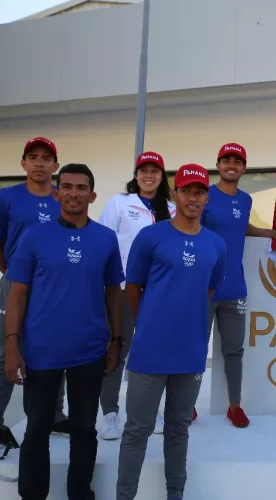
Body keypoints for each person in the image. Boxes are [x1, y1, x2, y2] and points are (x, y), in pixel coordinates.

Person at [4, 163, 125, 500]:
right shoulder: (35, 236)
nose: (74, 193)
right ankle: (32, 494)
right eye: (67, 186)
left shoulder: (105, 238)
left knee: (84, 430)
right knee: (38, 428)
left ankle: (79, 493)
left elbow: (114, 293)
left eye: (81, 187)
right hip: (42, 350)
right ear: (56, 193)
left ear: (92, 195)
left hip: (90, 350)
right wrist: (13, 344)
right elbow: (18, 293)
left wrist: (116, 340)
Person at [116, 164, 227, 500]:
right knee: (137, 430)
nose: (193, 198)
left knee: (178, 429)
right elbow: (133, 287)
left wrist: (185, 323)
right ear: (175, 194)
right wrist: (151, 321)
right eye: (186, 191)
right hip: (150, 350)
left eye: (199, 192)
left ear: (207, 197)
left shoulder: (216, 245)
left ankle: (174, 494)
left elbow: (207, 289)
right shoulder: (151, 236)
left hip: (191, 352)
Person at [0, 137, 70, 457]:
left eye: (46, 157)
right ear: (23, 163)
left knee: (56, 352)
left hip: (54, 289)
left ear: (56, 165)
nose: (39, 162)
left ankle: (54, 416)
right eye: (33, 157)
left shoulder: (64, 199)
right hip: (16, 286)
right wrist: (14, 274)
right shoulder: (6, 198)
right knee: (6, 353)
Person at [199, 142, 276, 429]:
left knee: (234, 350)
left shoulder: (245, 200)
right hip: (203, 287)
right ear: (218, 164)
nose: (231, 165)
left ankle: (234, 405)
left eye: (237, 161)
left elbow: (240, 227)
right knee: (196, 347)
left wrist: (268, 232)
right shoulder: (204, 196)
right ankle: (186, 406)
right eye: (226, 160)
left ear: (244, 168)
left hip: (235, 286)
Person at [98, 151, 176, 440]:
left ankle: (146, 409)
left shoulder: (171, 208)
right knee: (117, 347)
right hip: (121, 290)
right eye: (144, 170)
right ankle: (110, 412)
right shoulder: (119, 204)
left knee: (151, 352)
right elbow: (104, 243)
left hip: (158, 294)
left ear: (161, 175)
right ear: (136, 174)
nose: (149, 175)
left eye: (155, 170)